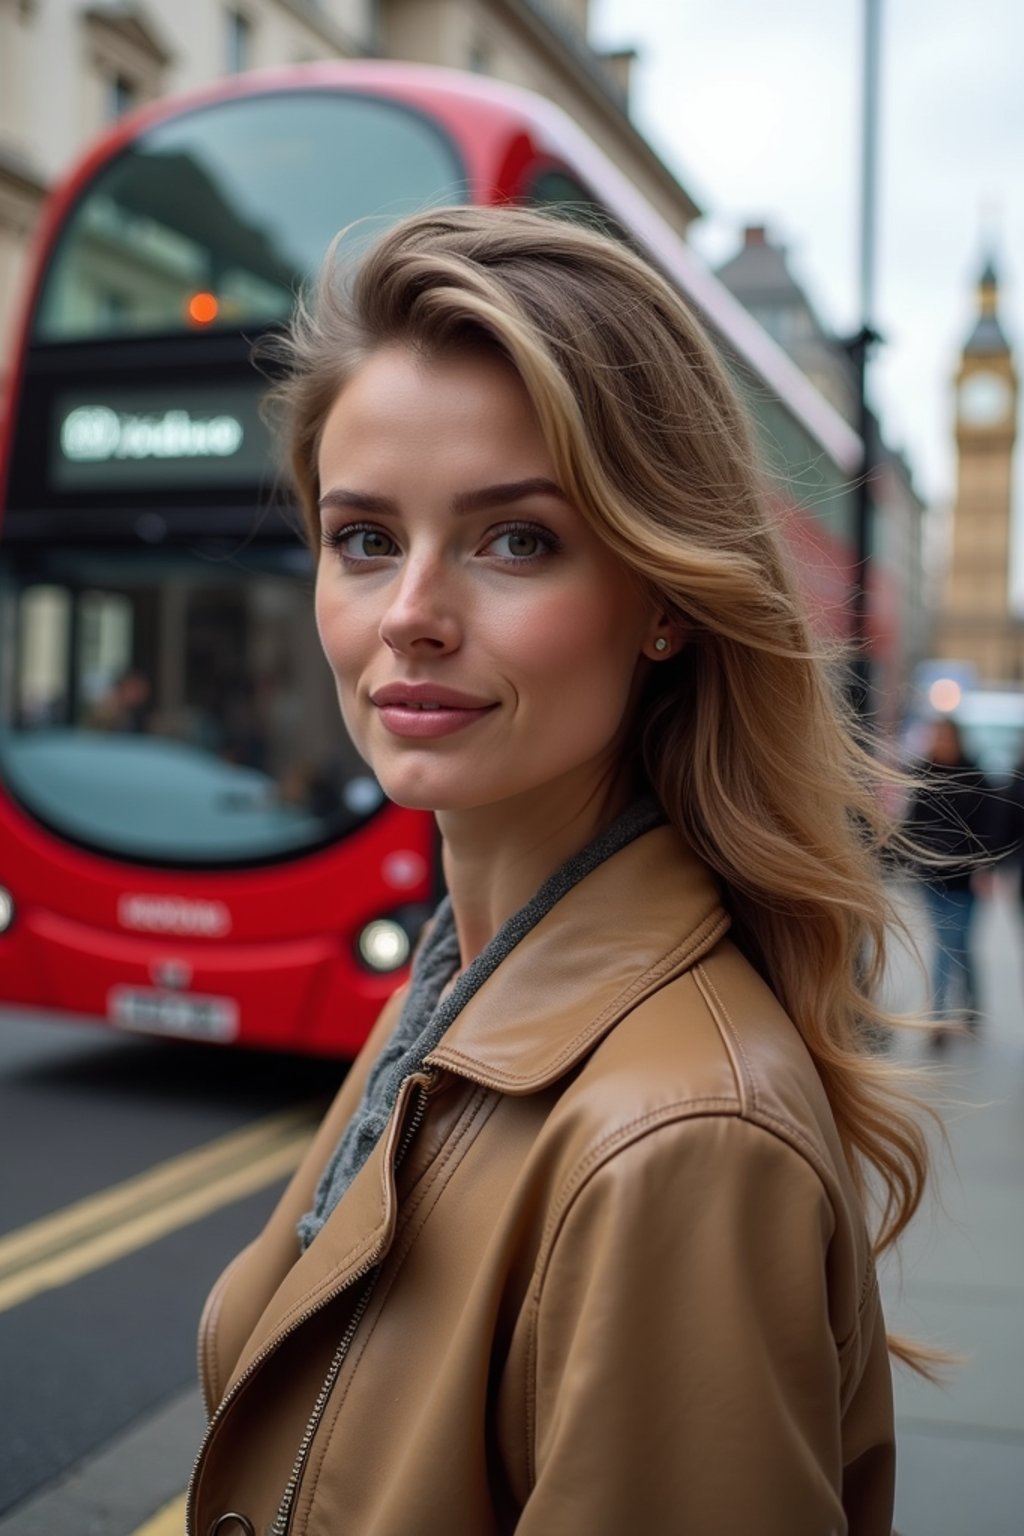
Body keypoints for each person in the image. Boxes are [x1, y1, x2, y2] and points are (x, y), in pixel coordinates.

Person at [189, 207, 935, 1536]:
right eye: (364, 536)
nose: (409, 611)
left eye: (513, 539)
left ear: (661, 598)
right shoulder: (470, 977)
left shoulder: (682, 1144)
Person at [904, 715, 994, 1041]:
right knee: (949, 944)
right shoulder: (923, 774)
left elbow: (989, 829)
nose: (940, 744)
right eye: (935, 737)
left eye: (945, 738)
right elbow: (911, 824)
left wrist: (987, 869)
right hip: (931, 877)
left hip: (966, 878)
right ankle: (952, 1013)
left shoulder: (976, 777)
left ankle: (950, 1013)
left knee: (956, 945)